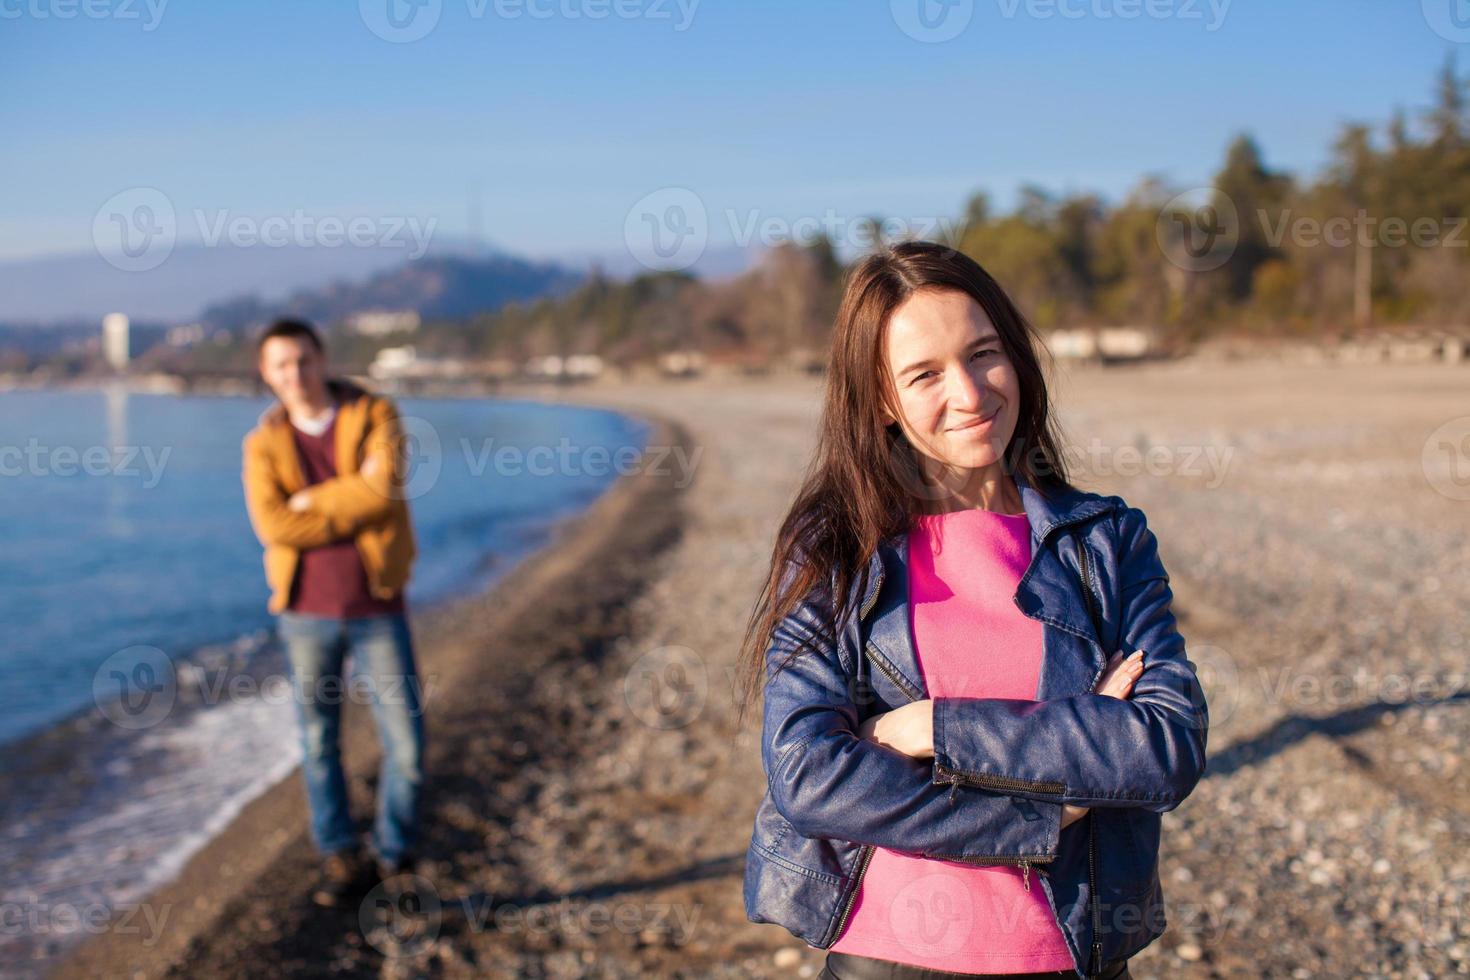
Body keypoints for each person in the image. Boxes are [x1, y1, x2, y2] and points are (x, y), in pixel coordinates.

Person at [739, 242, 1209, 979]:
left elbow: (1165, 745)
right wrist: (1043, 816)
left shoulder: (1105, 541)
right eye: (924, 373)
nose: (969, 391)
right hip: (887, 957)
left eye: (983, 353)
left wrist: (932, 727)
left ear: (1016, 356)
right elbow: (807, 773)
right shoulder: (835, 548)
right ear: (883, 399)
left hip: (1066, 953)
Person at [241, 318, 424, 907]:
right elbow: (272, 524)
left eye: (303, 360)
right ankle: (341, 854)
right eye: (280, 365)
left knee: (409, 747)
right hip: (305, 612)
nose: (294, 374)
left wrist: (312, 502)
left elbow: (384, 487)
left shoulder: (375, 415)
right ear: (266, 374)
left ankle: (393, 853)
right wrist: (353, 494)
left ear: (322, 359)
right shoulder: (262, 443)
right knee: (319, 742)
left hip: (378, 605)